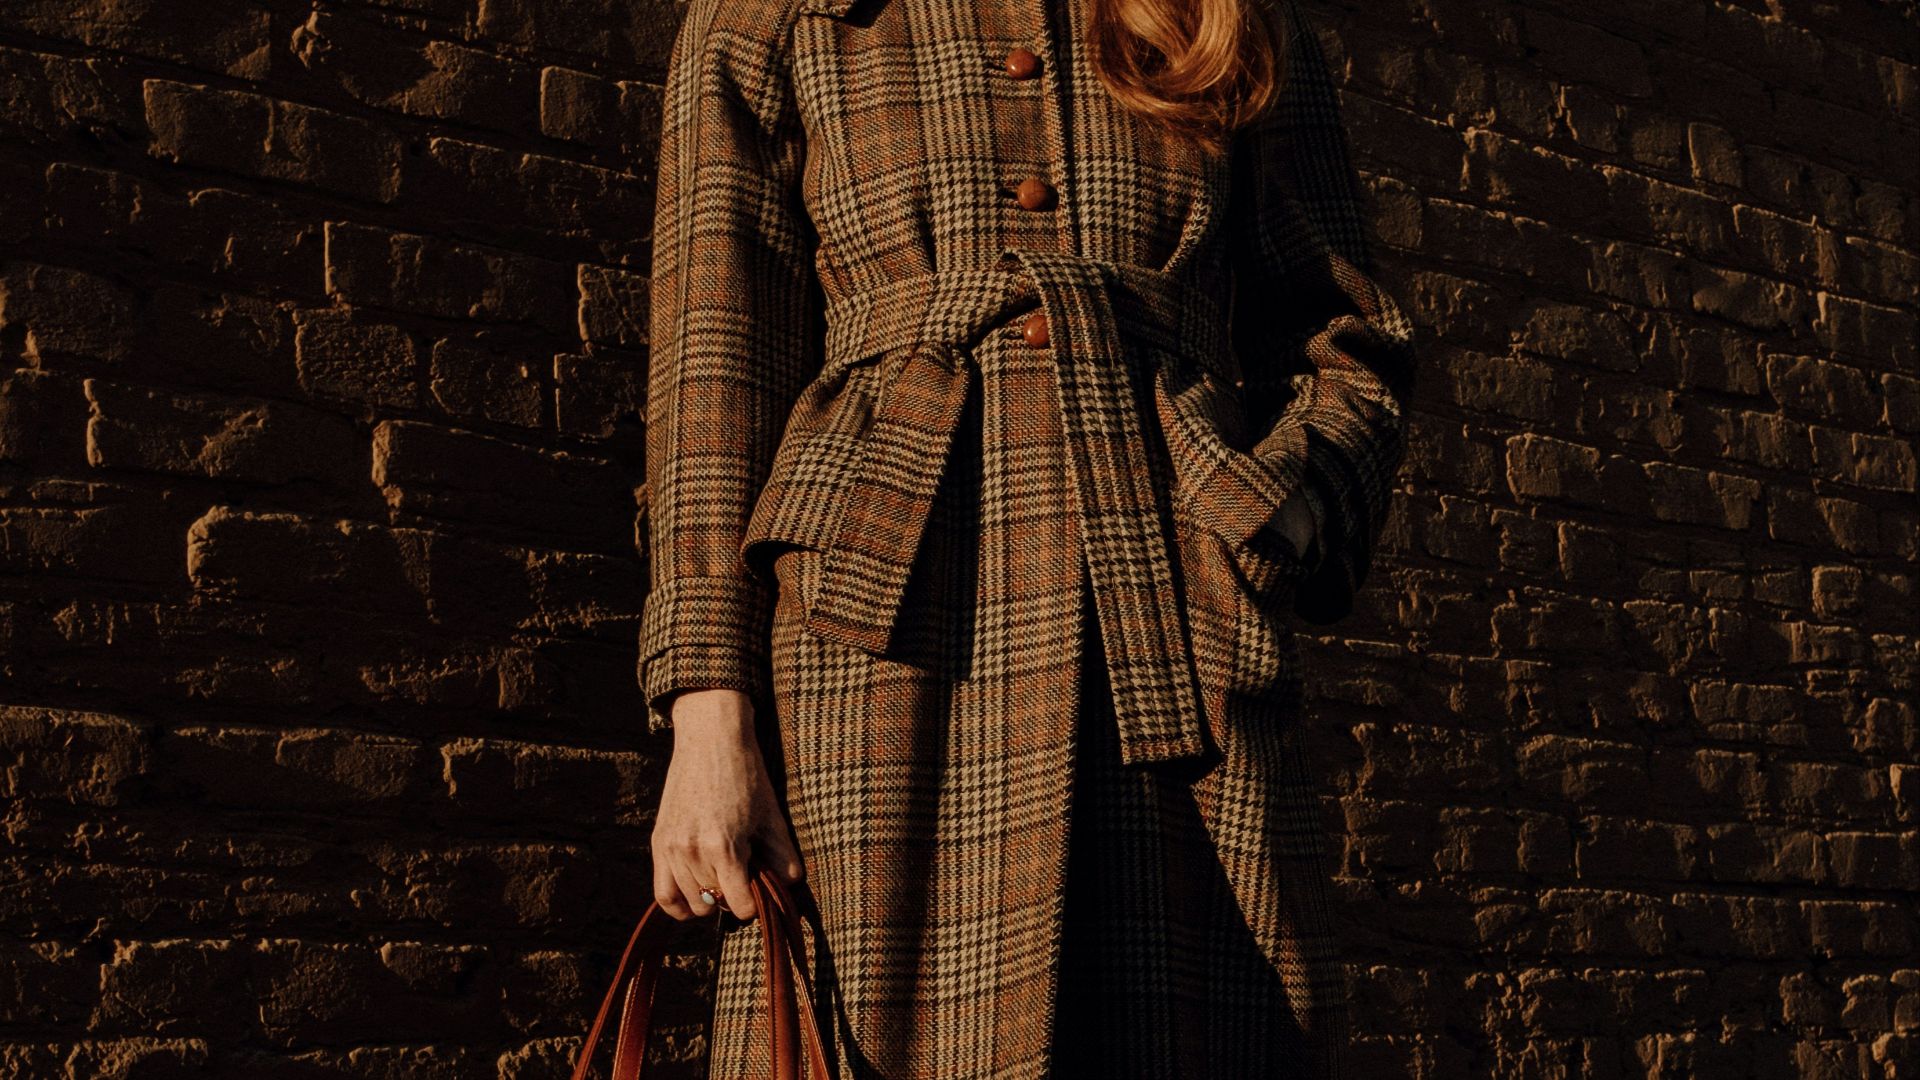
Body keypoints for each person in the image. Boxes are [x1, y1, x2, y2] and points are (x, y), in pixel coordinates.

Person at [639, 0, 1417, 1074]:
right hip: (880, 638)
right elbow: (712, 380)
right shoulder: (774, 19)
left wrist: (1276, 510)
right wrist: (706, 716)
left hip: (1177, 623)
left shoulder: (1226, 21)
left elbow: (1350, 333)